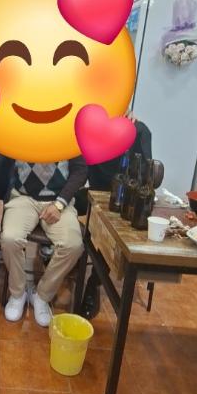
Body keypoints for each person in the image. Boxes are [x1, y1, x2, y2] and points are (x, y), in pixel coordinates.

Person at [0, 153, 87, 327]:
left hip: (59, 201)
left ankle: (42, 296)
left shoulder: (70, 135)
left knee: (73, 245)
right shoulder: (19, 133)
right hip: (23, 198)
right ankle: (18, 293)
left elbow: (80, 170)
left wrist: (60, 204)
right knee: (9, 239)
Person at [78, 118, 153, 319]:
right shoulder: (90, 124)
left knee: (111, 236)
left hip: (124, 197)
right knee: (62, 203)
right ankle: (62, 257)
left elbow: (146, 177)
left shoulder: (138, 131)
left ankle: (94, 284)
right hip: (94, 191)